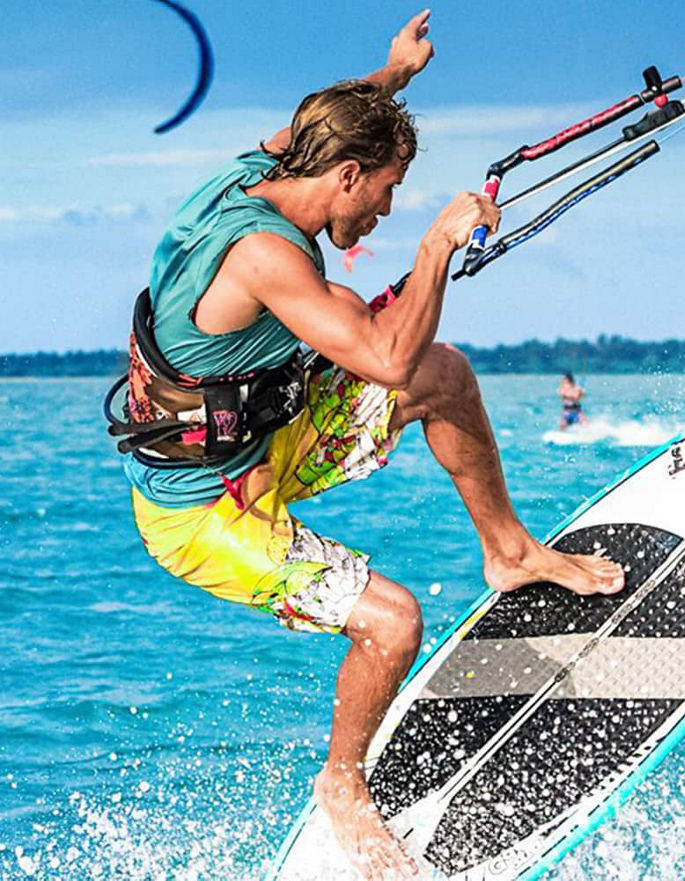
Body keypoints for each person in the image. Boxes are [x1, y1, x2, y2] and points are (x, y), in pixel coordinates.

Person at [107, 11, 624, 879]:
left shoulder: (255, 173)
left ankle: (510, 552)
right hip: (205, 514)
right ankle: (340, 783)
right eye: (383, 189)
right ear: (345, 177)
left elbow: (325, 118)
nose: (384, 208)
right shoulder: (269, 258)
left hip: (264, 443)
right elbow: (385, 357)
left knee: (446, 376)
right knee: (392, 621)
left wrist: (393, 78)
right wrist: (434, 248)